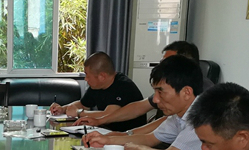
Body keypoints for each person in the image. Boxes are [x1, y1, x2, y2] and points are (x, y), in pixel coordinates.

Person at [81, 55, 210, 150]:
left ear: (186, 92)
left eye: (160, 92)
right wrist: (106, 140)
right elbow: (149, 138)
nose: (155, 99)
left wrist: (137, 148)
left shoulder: (201, 118)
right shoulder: (178, 116)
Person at [74, 41, 212, 132]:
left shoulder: (204, 96)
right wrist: (101, 120)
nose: (161, 67)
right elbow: (138, 107)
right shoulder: (167, 87)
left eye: (167, 62)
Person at [49, 52, 146, 132]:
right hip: (106, 132)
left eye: (87, 75)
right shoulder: (97, 85)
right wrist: (62, 108)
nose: (86, 79)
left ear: (102, 76)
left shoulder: (122, 86)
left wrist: (79, 113)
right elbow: (83, 104)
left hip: (127, 136)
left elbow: (108, 115)